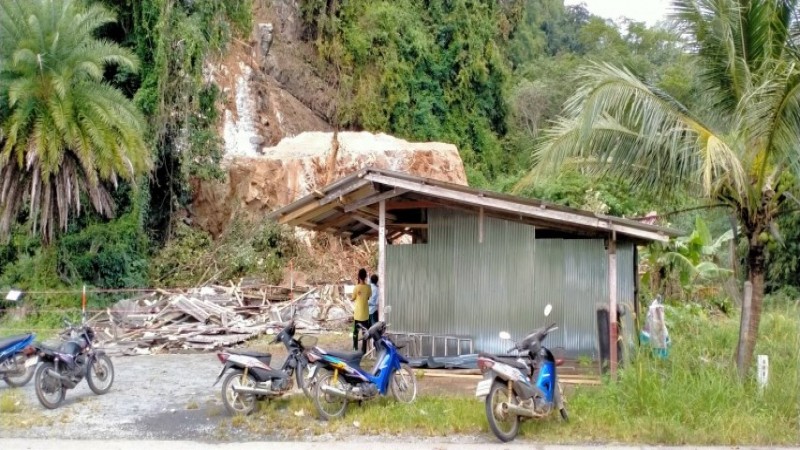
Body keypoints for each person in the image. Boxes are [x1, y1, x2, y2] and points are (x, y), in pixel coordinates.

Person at [351, 268, 371, 352]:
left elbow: (353, 298)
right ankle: (364, 350)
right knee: (365, 333)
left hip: (357, 314)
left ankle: (355, 348)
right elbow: (368, 297)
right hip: (365, 315)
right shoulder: (368, 287)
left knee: (355, 332)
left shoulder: (356, 287)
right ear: (366, 276)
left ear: (358, 276)